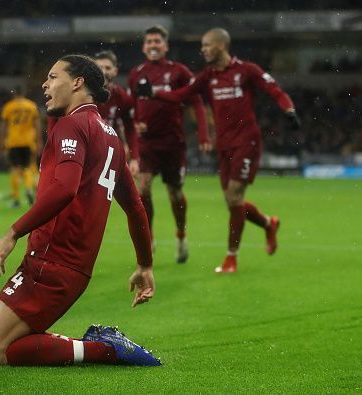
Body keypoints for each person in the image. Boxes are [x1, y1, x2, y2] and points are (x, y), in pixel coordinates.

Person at [0, 54, 160, 367]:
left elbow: (64, 189)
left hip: (55, 264)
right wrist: (145, 264)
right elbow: (136, 207)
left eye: (53, 77)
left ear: (77, 82)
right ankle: (93, 345)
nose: (45, 85)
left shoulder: (72, 125)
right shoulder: (112, 138)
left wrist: (12, 233)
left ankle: (106, 349)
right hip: (57, 262)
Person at [138, 28, 301, 273]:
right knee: (232, 201)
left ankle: (231, 257)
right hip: (224, 145)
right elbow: (182, 95)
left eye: (206, 45)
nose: (202, 49)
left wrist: (289, 111)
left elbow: (274, 90)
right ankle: (268, 223)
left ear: (221, 46)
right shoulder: (207, 77)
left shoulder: (246, 70)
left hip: (247, 141)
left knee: (234, 197)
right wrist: (154, 93)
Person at [128, 25, 210, 264]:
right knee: (142, 189)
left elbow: (196, 100)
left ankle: (181, 235)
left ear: (165, 46)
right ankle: (149, 237)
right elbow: (131, 106)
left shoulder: (178, 71)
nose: (153, 45)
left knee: (174, 193)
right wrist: (135, 124)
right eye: (149, 41)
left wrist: (204, 134)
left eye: (157, 41)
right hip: (147, 145)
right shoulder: (136, 73)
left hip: (173, 143)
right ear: (144, 47)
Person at [94, 50, 140, 176]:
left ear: (115, 71)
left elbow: (130, 129)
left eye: (107, 68)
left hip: (108, 153)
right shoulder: (80, 94)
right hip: (83, 151)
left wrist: (135, 159)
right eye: (99, 68)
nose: (103, 71)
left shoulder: (123, 98)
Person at [0, 86, 42, 208]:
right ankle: (29, 188)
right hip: (28, 142)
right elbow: (37, 124)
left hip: (13, 141)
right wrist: (39, 140)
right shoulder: (31, 106)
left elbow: (3, 125)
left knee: (15, 169)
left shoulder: (9, 107)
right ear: (24, 93)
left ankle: (16, 199)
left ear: (14, 94)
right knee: (27, 167)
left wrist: (1, 140)